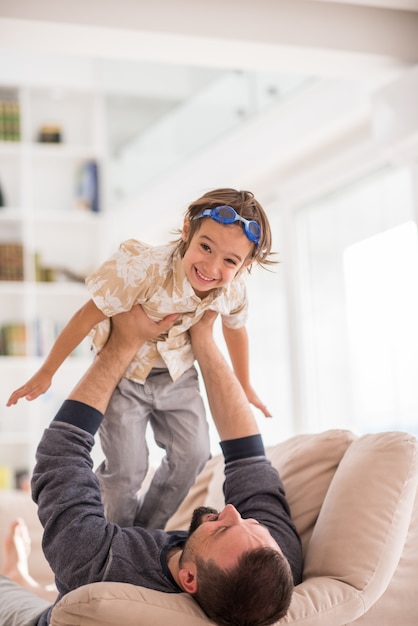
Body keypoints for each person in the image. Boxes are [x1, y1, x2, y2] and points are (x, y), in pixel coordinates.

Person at [0, 305, 303, 626]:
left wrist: (122, 344)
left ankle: (14, 578)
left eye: (223, 530)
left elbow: (59, 453)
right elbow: (247, 456)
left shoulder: (100, 566)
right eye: (254, 524)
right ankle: (29, 581)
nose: (232, 511)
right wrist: (203, 339)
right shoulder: (272, 572)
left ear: (189, 580)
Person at [7, 188, 275, 530]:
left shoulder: (233, 289)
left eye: (229, 261)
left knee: (193, 456)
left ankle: (143, 533)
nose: (211, 266)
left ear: (245, 265)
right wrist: (47, 372)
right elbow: (87, 315)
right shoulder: (145, 269)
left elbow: (236, 330)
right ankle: (111, 536)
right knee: (127, 469)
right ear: (186, 231)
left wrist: (245, 383)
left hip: (177, 375)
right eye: (205, 247)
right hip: (126, 374)